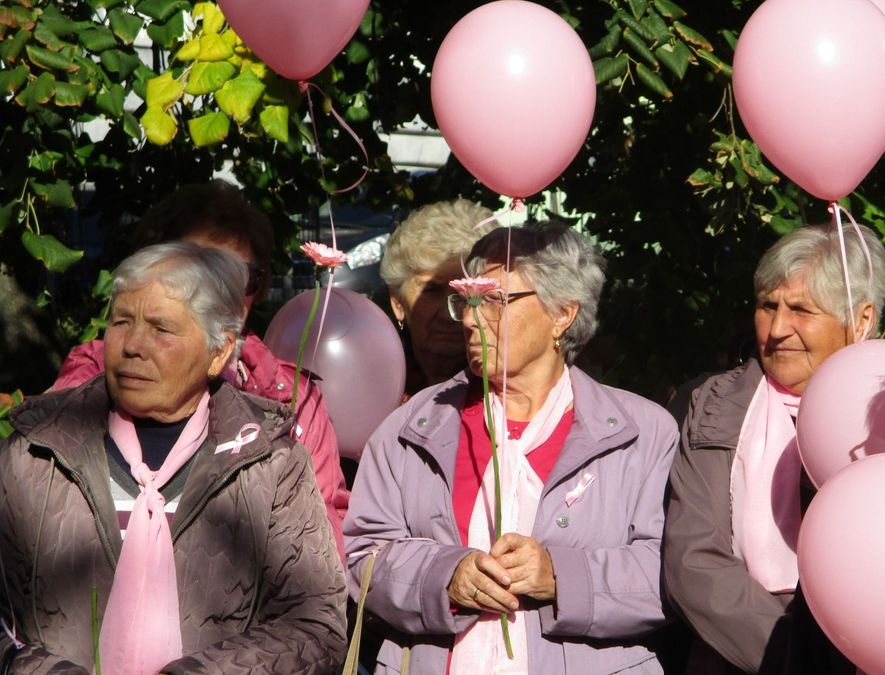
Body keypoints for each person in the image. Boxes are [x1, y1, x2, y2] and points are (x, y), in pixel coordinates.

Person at [345, 223, 677, 674]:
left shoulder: (642, 433)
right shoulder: (412, 427)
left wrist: (560, 576)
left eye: (494, 301)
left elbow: (673, 576)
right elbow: (364, 555)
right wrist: (444, 577)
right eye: (466, 300)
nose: (468, 319)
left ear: (562, 313)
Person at [0, 243, 346, 673]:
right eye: (122, 321)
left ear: (219, 352)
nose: (133, 346)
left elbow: (314, 624)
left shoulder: (269, 462)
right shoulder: (38, 452)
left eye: (161, 329)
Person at [52, 180, 351, 557]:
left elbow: (321, 553)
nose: (220, 294)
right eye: (197, 274)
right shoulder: (99, 375)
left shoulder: (295, 398)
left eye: (239, 276)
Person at [663, 225, 885, 674]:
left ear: (861, 320)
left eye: (802, 310)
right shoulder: (711, 405)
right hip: (737, 654)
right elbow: (692, 562)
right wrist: (798, 658)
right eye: (768, 306)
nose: (778, 329)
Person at [379, 198, 497, 396]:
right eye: (431, 290)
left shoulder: (506, 388)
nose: (448, 313)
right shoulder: (375, 378)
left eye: (464, 292)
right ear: (397, 303)